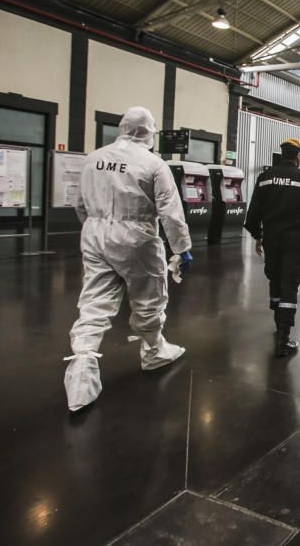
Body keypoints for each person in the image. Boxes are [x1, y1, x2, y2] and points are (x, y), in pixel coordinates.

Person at [64, 107, 193, 412]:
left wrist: (93, 225)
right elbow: (170, 212)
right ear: (150, 132)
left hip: (95, 232)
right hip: (136, 235)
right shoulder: (153, 164)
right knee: (149, 297)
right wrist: (181, 248)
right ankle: (153, 351)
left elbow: (79, 201)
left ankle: (81, 375)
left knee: (94, 300)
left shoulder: (93, 158)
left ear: (122, 127)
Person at [244, 138, 300, 357]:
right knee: (289, 284)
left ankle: (278, 325)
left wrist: (258, 235)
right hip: (295, 241)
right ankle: (284, 340)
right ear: (298, 156)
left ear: (282, 154)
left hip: (272, 240)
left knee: (275, 279)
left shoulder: (265, 178)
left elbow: (253, 211)